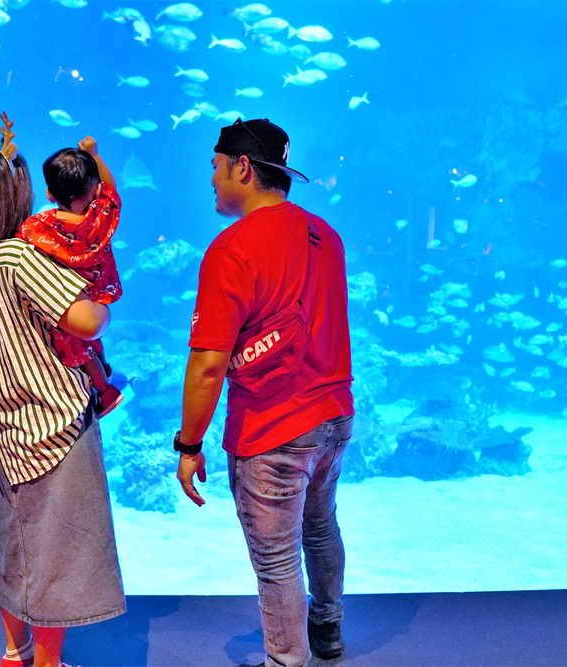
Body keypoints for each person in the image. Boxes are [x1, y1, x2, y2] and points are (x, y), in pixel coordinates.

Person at [0, 109, 125, 667]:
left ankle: (14, 651)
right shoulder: (21, 258)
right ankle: (48, 662)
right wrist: (102, 302)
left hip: (4, 433)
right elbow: (85, 321)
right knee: (59, 553)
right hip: (55, 424)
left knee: (16, 545)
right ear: (13, 201)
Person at [175, 118, 355, 667]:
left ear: (242, 168)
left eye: (215, 165)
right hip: (333, 416)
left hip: (272, 426)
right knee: (320, 524)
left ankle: (287, 659)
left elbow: (208, 365)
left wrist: (189, 444)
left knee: (277, 560)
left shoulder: (231, 249)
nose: (210, 178)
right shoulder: (326, 236)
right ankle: (327, 628)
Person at [17, 139, 125, 417]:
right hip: (97, 293)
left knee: (79, 347)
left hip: (66, 300)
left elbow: (20, 236)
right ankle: (106, 371)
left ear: (49, 194)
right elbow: (111, 189)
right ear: (96, 190)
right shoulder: (101, 218)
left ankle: (105, 392)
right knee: (92, 340)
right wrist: (94, 155)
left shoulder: (41, 227)